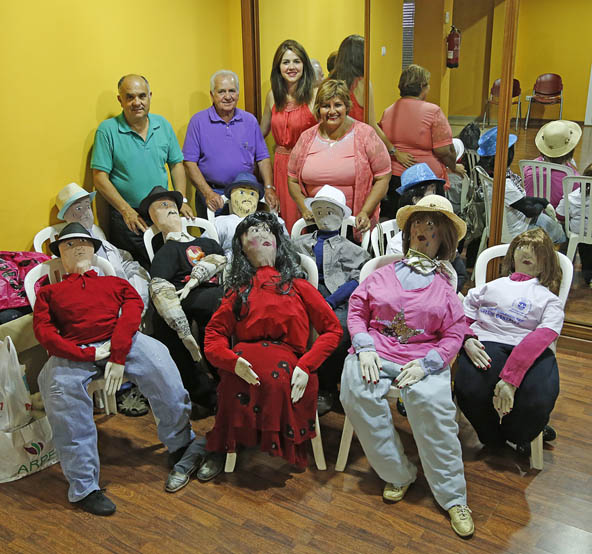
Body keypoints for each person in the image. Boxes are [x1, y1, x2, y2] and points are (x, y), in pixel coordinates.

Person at [33, 222, 208, 515]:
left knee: (160, 361)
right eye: (68, 245)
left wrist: (117, 353)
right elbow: (45, 332)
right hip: (74, 349)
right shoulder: (49, 294)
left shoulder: (114, 283)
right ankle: (83, 486)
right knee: (59, 390)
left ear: (94, 249)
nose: (77, 249)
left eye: (83, 243)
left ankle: (180, 442)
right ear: (59, 255)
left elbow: (131, 311)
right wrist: (84, 353)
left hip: (121, 340)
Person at [340, 195, 475, 538]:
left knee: (431, 405)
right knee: (355, 389)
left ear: (444, 236)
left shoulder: (445, 287)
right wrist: (364, 346)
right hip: (376, 352)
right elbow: (357, 310)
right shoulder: (382, 274)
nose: (422, 229)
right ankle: (398, 473)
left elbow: (455, 332)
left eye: (431, 224)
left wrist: (430, 364)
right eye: (417, 222)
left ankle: (453, 497)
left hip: (422, 358)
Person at [202, 212, 342, 469]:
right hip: (245, 361)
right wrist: (231, 361)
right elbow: (213, 336)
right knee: (235, 381)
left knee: (277, 379)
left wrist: (306, 364)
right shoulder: (239, 291)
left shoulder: (299, 287)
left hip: (289, 362)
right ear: (242, 249)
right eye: (251, 232)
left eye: (267, 230)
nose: (260, 234)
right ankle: (227, 448)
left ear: (278, 242)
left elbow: (332, 330)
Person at [455, 228, 564, 456]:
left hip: (527, 348)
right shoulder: (490, 287)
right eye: (522, 248)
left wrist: (511, 379)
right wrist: (466, 339)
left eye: (537, 251)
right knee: (471, 390)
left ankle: (521, 435)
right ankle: (492, 438)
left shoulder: (548, 299)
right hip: (487, 341)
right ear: (512, 255)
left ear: (547, 263)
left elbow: (544, 335)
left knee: (536, 400)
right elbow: (461, 317)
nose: (528, 254)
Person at [56, 182, 152, 417]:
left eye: (87, 206)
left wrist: (138, 291)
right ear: (66, 217)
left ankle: (147, 383)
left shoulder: (100, 238)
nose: (86, 213)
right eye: (77, 210)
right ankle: (125, 389)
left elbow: (128, 263)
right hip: (105, 313)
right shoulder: (72, 248)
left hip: (128, 301)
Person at [91, 74, 192, 268]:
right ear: (120, 100)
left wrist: (181, 199)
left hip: (162, 212)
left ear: (150, 96)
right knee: (138, 271)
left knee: (169, 266)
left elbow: (176, 164)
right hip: (129, 218)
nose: (136, 102)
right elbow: (100, 178)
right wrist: (125, 210)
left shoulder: (162, 125)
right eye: (130, 97)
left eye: (142, 96)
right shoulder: (107, 130)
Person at [141, 186, 226, 412]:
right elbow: (159, 286)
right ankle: (204, 392)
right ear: (153, 219)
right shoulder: (165, 253)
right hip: (186, 300)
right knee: (164, 323)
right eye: (161, 207)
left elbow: (222, 260)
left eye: (171, 205)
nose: (169, 209)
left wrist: (202, 273)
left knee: (219, 314)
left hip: (217, 293)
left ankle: (228, 381)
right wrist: (180, 325)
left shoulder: (207, 242)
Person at [292, 185, 371, 414]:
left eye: (330, 211)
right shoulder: (298, 244)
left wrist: (333, 300)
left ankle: (327, 385)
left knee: (339, 329)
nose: (324, 216)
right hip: (302, 294)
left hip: (337, 298)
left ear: (341, 215)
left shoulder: (353, 250)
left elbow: (359, 278)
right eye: (319, 211)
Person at [287, 79, 391, 237]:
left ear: (347, 106)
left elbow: (383, 176)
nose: (332, 111)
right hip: (315, 223)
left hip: (353, 223)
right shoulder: (306, 138)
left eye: (337, 105)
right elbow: (293, 178)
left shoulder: (365, 134)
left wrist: (365, 211)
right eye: (325, 106)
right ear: (318, 108)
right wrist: (304, 207)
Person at [182, 70, 277, 219]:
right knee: (214, 241)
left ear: (238, 94)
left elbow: (263, 158)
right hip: (213, 195)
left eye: (232, 91)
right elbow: (189, 163)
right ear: (212, 94)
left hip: (246, 194)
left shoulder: (250, 121)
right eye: (221, 91)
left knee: (246, 240)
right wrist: (208, 193)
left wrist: (269, 187)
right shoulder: (198, 122)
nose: (228, 96)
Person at [378, 64, 465, 219]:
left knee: (399, 220)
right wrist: (452, 166)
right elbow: (443, 151)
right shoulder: (433, 112)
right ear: (421, 87)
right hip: (426, 182)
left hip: (396, 179)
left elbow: (380, 141)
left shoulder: (388, 111)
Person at [260, 40, 318, 232]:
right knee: (284, 221)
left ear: (304, 65)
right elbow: (261, 133)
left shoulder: (315, 95)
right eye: (286, 62)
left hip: (307, 167)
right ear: (278, 67)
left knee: (306, 220)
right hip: (281, 165)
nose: (291, 67)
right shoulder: (272, 95)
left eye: (296, 61)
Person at [385, 163, 467, 293]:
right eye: (430, 191)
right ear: (415, 199)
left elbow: (460, 273)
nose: (435, 196)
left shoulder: (442, 237)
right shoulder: (397, 245)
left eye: (435, 191)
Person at [477, 127, 566, 244]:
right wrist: (541, 205)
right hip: (516, 231)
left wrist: (542, 201)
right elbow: (531, 211)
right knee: (560, 234)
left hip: (503, 224)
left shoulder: (488, 176)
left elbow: (519, 200)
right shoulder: (505, 185)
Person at [329, 35, 393, 153]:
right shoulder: (363, 84)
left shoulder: (328, 83)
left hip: (331, 146)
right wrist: (393, 150)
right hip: (355, 148)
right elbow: (371, 123)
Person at [208, 172, 286, 259]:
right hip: (232, 264)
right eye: (241, 192)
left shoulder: (272, 221)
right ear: (231, 196)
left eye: (252, 193)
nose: (247, 197)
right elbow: (207, 245)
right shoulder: (221, 222)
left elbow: (286, 246)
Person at [523, 120, 581, 208]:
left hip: (532, 215)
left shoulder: (529, 169)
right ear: (570, 151)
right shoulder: (574, 180)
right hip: (558, 219)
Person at [557, 162, 592, 286]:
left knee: (577, 234)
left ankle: (564, 269)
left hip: (579, 232)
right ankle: (589, 275)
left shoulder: (574, 196)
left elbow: (560, 214)